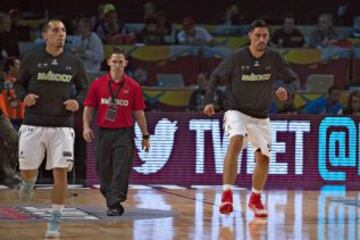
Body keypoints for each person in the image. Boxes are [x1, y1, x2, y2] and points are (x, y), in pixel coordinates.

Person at [203, 19, 299, 217]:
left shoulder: (274, 57)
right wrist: (208, 101)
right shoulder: (237, 57)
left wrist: (287, 91)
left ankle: (255, 198)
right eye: (258, 36)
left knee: (263, 158)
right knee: (236, 141)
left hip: (261, 114)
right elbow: (214, 76)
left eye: (265, 36)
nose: (261, 39)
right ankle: (227, 194)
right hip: (236, 110)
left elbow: (294, 79)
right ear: (250, 36)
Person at [14, 19, 88, 238]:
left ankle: (54, 223)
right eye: (56, 30)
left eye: (64, 30)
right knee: (28, 170)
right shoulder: (31, 59)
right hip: (33, 123)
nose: (61, 34)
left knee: (60, 172)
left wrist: (78, 101)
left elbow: (85, 88)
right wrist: (23, 97)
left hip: (62, 126)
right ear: (45, 35)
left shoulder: (74, 62)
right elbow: (18, 84)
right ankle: (28, 182)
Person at [83, 47, 150, 216]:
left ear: (126, 64)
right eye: (114, 62)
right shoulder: (98, 84)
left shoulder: (134, 86)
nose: (117, 65)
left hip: (124, 133)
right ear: (108, 63)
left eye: (121, 62)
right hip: (103, 132)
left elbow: (139, 112)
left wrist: (145, 135)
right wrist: (86, 126)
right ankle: (112, 199)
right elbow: (89, 107)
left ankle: (114, 204)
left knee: (121, 168)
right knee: (102, 167)